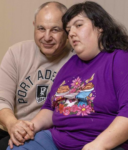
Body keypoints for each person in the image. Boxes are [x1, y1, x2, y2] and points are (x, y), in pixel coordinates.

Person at [7, 1, 128, 150]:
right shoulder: (71, 64)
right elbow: (50, 107)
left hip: (108, 143)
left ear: (100, 26)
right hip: (58, 140)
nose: (72, 33)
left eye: (79, 25)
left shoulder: (125, 56)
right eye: (68, 30)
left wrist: (99, 145)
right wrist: (30, 127)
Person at [0, 1, 75, 150]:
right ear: (34, 25)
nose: (47, 37)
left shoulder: (77, 58)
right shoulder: (16, 53)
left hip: (53, 136)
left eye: (55, 29)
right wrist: (13, 124)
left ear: (67, 30)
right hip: (13, 129)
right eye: (41, 28)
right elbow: (2, 100)